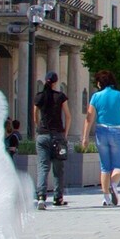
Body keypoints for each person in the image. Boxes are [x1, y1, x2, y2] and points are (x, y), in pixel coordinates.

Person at [83, 70, 120, 206]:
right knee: (117, 166)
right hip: (117, 131)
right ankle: (114, 184)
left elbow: (89, 118)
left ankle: (106, 198)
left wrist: (85, 137)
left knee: (104, 167)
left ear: (100, 83)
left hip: (101, 131)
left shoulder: (96, 96)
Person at [33, 72, 70, 207]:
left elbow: (35, 115)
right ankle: (57, 198)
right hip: (58, 136)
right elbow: (68, 116)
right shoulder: (60, 97)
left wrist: (39, 128)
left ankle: (41, 197)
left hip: (42, 136)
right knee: (58, 168)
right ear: (55, 82)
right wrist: (65, 133)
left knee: (43, 167)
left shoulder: (39, 96)